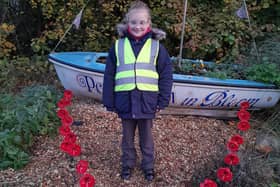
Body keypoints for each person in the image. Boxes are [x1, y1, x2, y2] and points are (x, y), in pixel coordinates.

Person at [102, 0, 173, 181]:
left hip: (147, 101)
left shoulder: (157, 47)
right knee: (127, 139)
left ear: (149, 24)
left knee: (147, 139)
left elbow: (166, 75)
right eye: (133, 22)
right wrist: (109, 100)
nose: (138, 26)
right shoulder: (118, 46)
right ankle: (127, 165)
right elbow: (109, 74)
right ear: (127, 24)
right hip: (124, 101)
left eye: (142, 22)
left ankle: (148, 166)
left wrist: (163, 100)